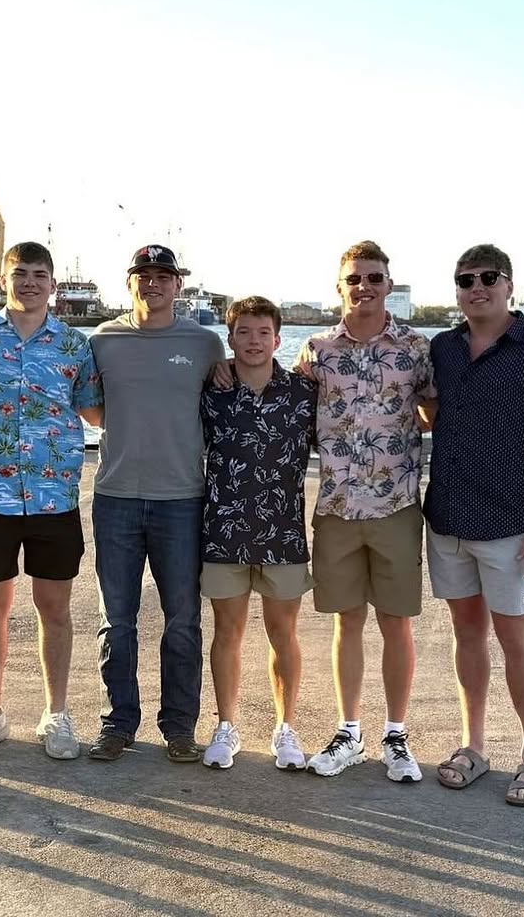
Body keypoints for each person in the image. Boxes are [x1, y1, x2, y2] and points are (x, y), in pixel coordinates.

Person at [425, 244, 524, 807]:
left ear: (509, 285)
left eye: (488, 278)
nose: (477, 288)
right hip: (448, 519)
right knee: (466, 634)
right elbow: (432, 412)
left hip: (512, 525)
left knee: (517, 639)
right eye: (466, 280)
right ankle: (474, 745)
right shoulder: (443, 348)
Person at [0, 242, 103, 760]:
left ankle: (56, 713)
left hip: (53, 496)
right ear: (4, 280)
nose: (30, 283)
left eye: (40, 275)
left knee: (54, 608)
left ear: (53, 285)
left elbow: (96, 412)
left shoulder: (74, 345)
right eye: (20, 273)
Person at [296, 240, 435, 782]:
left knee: (396, 623)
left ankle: (396, 734)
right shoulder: (316, 351)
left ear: (388, 284)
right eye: (354, 278)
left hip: (396, 504)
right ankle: (349, 732)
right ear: (340, 286)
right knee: (346, 622)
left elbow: (438, 410)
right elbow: (285, 404)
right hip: (336, 505)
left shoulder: (415, 347)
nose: (364, 287)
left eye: (374, 278)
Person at [88, 244, 226, 763]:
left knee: (183, 620)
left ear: (178, 285)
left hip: (182, 501)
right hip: (116, 498)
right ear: (129, 283)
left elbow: (224, 398)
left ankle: (180, 728)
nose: (153, 284)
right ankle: (118, 724)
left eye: (163, 276)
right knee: (116, 621)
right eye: (143, 275)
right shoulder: (103, 341)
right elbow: (91, 409)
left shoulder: (204, 343)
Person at [199, 297, 317, 770]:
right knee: (226, 632)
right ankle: (226, 725)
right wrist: (214, 371)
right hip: (223, 530)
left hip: (283, 533)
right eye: (244, 332)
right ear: (230, 339)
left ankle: (285, 728)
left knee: (282, 633)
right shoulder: (211, 391)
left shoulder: (303, 392)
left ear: (277, 338)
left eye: (263, 332)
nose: (254, 341)